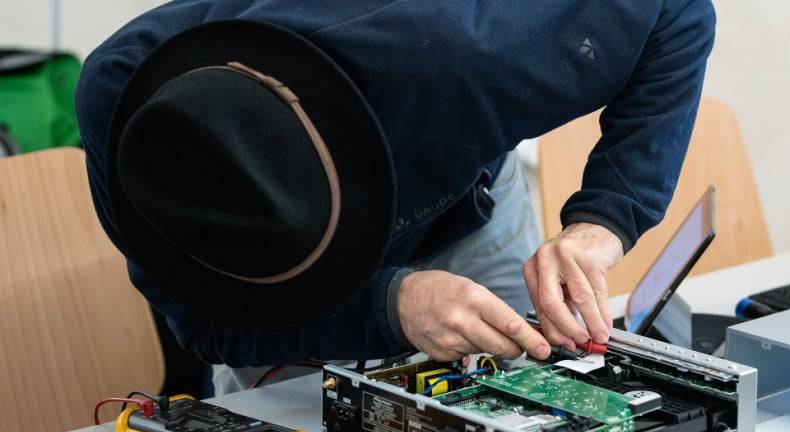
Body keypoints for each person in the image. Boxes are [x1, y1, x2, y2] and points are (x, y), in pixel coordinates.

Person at [76, 1, 715, 393]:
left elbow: (677, 11)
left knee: (540, 391)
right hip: (275, 303)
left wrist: (601, 223)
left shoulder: (481, 49)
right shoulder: (129, 110)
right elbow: (213, 324)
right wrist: (391, 304)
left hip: (472, 216)